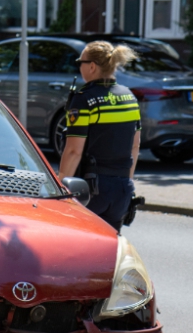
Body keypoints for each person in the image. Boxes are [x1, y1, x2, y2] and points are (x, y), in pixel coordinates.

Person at [57, 41, 141, 232]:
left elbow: (73, 151)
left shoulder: (84, 99)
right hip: (122, 190)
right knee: (110, 250)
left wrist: (61, 186)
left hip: (91, 190)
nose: (80, 66)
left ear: (92, 66)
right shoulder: (129, 97)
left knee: (82, 250)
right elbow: (135, 147)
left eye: (81, 62)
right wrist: (127, 182)